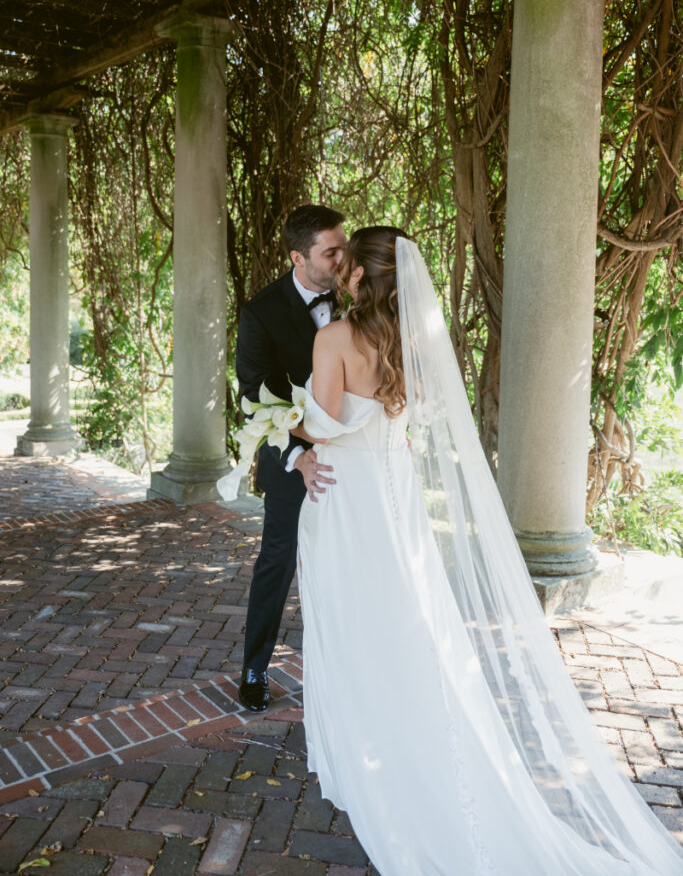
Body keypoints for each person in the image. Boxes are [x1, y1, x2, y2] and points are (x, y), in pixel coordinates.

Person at [296, 226, 683, 874]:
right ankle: (411, 733)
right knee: (408, 619)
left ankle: (367, 746)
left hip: (347, 498)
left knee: (350, 616)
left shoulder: (333, 340)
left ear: (360, 277)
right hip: (396, 494)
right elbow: (407, 416)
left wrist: (294, 429)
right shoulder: (412, 340)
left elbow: (324, 423)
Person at [235, 204, 346, 712]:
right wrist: (299, 453)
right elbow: (256, 396)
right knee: (278, 562)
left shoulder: (357, 297)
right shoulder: (261, 312)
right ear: (299, 257)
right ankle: (255, 668)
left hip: (352, 458)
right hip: (290, 462)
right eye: (331, 251)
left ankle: (345, 667)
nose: (343, 257)